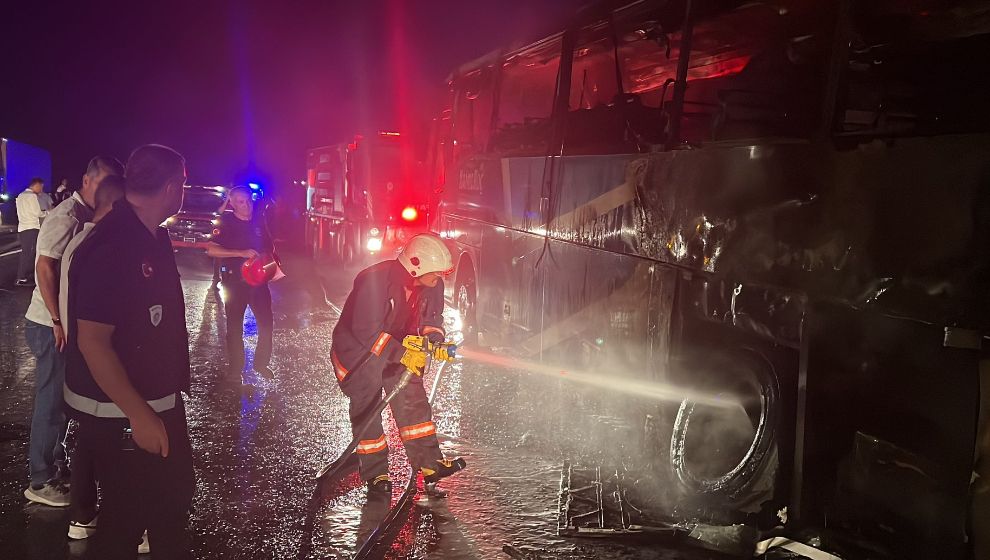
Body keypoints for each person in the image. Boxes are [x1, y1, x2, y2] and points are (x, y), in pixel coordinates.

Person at [66, 144, 194, 559]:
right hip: (123, 416)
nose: (184, 192)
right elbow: (93, 341)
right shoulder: (115, 245)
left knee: (170, 510)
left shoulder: (152, 235)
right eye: (185, 184)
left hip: (159, 404)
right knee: (124, 525)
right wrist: (139, 416)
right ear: (173, 187)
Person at [331, 233, 466, 494]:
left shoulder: (431, 284)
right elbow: (367, 332)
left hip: (398, 347)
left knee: (413, 400)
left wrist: (436, 342)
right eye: (435, 274)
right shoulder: (374, 282)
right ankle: (376, 475)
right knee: (368, 411)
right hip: (359, 355)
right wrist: (404, 354)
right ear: (417, 265)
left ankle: (430, 464)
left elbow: (431, 320)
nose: (439, 280)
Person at [22, 157, 122, 509]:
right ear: (87, 180)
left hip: (60, 325)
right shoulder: (67, 215)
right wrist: (56, 319)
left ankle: (54, 462)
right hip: (48, 325)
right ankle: (40, 479)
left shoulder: (89, 216)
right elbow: (44, 267)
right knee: (50, 403)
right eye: (104, 184)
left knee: (62, 402)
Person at [58, 174, 125, 541]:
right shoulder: (104, 246)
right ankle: (125, 525)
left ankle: (82, 515)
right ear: (118, 206)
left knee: (87, 440)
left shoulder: (79, 240)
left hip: (79, 364)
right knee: (115, 446)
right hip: (98, 365)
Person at [206, 186, 276, 382]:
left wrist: (271, 266)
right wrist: (240, 252)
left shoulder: (259, 221)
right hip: (235, 282)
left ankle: (261, 364)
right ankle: (235, 369)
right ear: (232, 204)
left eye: (248, 201)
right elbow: (211, 250)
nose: (246, 206)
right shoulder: (226, 222)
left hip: (258, 283)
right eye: (241, 202)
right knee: (235, 327)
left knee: (266, 324)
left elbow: (269, 248)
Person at [15, 178, 47, 286]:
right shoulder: (32, 196)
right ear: (36, 185)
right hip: (32, 227)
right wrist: (47, 213)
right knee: (32, 253)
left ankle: (24, 275)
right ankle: (23, 276)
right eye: (41, 186)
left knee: (26, 252)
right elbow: (37, 213)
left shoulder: (20, 196)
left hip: (22, 228)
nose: (41, 189)